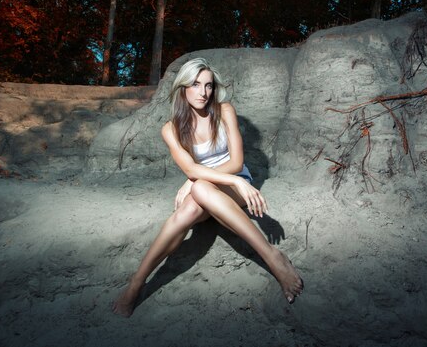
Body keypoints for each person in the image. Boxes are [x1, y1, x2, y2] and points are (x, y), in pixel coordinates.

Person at [112, 58, 303, 317]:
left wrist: (211, 180)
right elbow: (190, 169)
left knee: (199, 188)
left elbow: (236, 163)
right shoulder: (171, 129)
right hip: (210, 184)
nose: (203, 93)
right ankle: (137, 283)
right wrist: (192, 179)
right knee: (186, 211)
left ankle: (271, 256)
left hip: (236, 183)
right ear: (183, 88)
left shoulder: (224, 111)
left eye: (209, 86)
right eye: (196, 84)